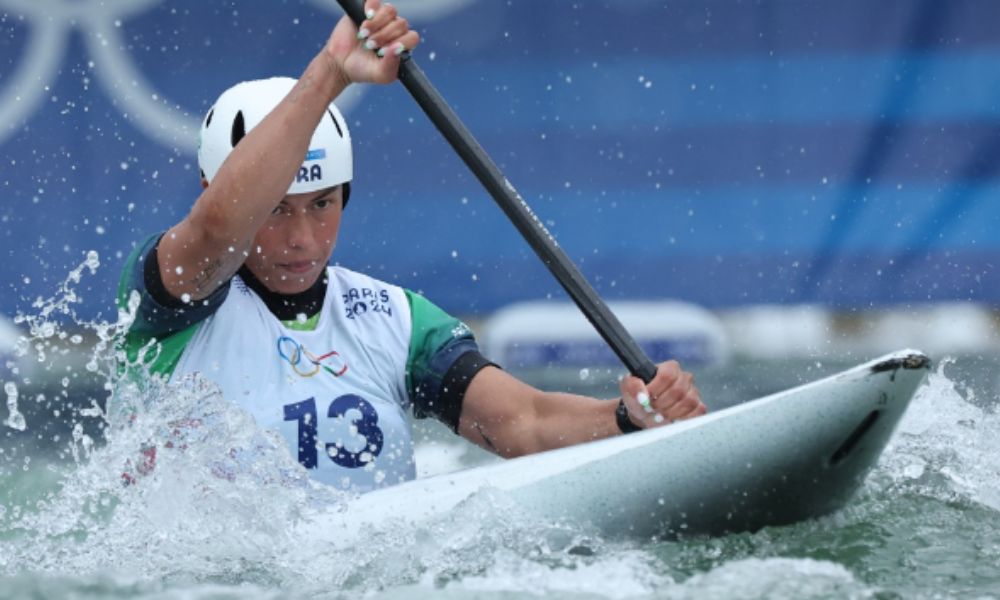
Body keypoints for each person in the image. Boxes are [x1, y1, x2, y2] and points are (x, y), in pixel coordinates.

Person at [115, 0, 706, 492]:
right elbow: (218, 231)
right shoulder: (173, 302)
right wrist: (331, 73)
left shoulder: (396, 321)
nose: (300, 238)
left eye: (322, 204)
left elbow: (522, 423)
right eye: (275, 210)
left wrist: (628, 418)